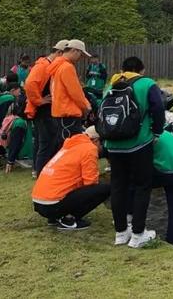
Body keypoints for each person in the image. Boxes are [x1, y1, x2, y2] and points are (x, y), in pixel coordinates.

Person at [103, 56, 165, 248]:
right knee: (141, 186)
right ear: (141, 69)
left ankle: (120, 233)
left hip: (113, 144)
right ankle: (138, 234)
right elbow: (159, 108)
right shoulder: (146, 83)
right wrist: (156, 132)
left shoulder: (111, 85)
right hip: (139, 143)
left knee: (118, 186)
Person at [31, 126, 110, 230]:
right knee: (105, 188)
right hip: (52, 204)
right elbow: (91, 183)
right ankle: (68, 219)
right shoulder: (89, 149)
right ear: (96, 140)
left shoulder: (70, 147)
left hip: (38, 201)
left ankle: (56, 217)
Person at [25, 40, 68, 175]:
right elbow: (30, 83)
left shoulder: (50, 65)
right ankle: (41, 175)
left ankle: (38, 172)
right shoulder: (43, 65)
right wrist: (39, 100)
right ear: (59, 53)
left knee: (43, 142)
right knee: (47, 143)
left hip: (46, 110)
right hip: (43, 111)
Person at [48, 40, 92, 139]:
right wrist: (86, 107)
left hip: (59, 112)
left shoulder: (56, 66)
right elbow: (76, 93)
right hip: (69, 114)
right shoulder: (67, 67)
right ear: (74, 50)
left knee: (62, 146)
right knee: (71, 147)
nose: (80, 59)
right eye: (80, 55)